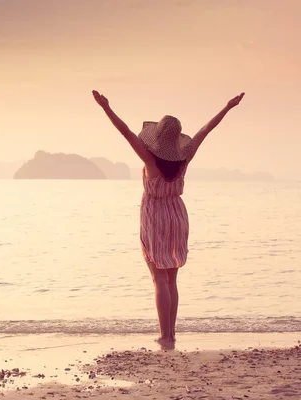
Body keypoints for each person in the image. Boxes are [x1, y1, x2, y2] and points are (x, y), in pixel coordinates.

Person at [91, 90, 245, 347]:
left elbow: (126, 132)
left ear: (158, 138)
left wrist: (106, 107)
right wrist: (228, 107)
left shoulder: (149, 160)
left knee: (158, 278)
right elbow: (206, 129)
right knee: (171, 279)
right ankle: (170, 334)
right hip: (177, 215)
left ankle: (165, 336)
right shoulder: (185, 158)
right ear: (176, 142)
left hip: (156, 217)